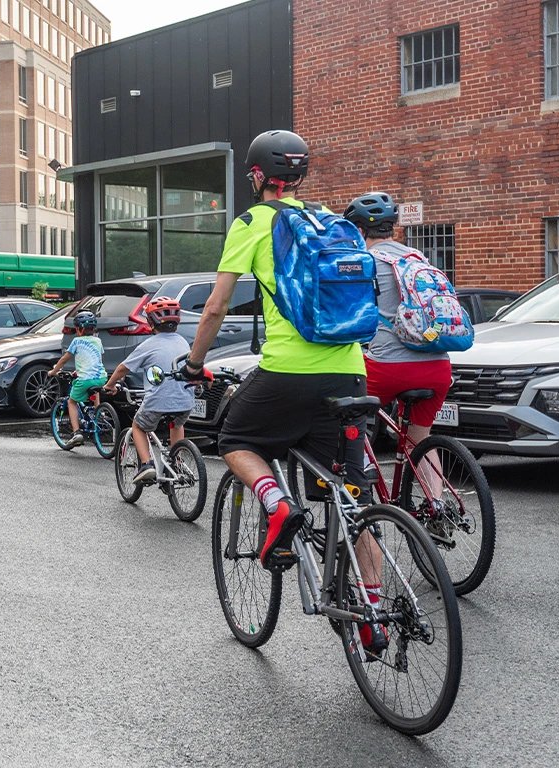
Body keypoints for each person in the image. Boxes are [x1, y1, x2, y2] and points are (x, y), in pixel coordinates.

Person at [182, 131, 387, 657]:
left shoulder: (253, 222)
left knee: (234, 438)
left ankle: (275, 505)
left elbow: (214, 308)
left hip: (287, 372)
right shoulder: (333, 224)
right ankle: (376, 612)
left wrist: (195, 362)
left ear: (256, 176)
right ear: (300, 176)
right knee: (351, 496)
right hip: (350, 372)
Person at [343, 193, 453, 452]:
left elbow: (348, 317)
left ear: (359, 231)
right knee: (419, 439)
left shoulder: (363, 261)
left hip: (388, 368)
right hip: (438, 367)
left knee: (336, 417)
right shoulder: (417, 257)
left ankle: (361, 474)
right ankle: (435, 495)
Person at [103, 297, 193, 484]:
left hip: (158, 401)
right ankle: (176, 461)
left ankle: (146, 464)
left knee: (138, 426)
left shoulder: (148, 345)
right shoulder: (183, 342)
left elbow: (122, 368)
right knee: (176, 424)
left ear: (151, 321)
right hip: (185, 401)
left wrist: (110, 385)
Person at [48, 310, 107, 449]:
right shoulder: (98, 341)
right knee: (95, 389)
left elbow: (64, 359)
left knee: (71, 401)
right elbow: (99, 359)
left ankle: (76, 433)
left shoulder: (77, 341)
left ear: (79, 330)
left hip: (85, 379)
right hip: (101, 377)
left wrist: (54, 371)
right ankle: (99, 412)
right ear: (94, 329)